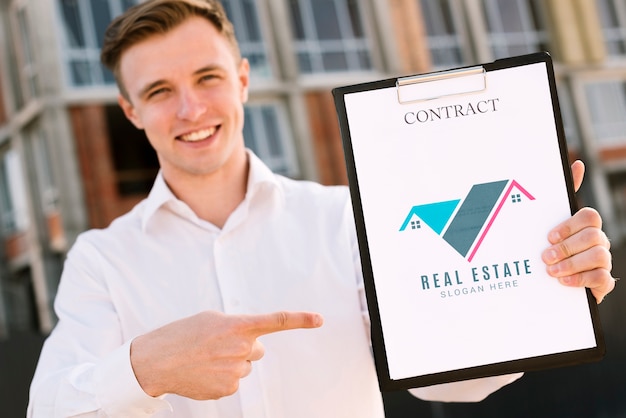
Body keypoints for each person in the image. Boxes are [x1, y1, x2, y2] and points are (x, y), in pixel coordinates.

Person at [27, 0, 616, 417]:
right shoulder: (100, 260)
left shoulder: (346, 219)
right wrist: (144, 368)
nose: (189, 109)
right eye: (158, 91)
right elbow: (49, 410)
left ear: (243, 81)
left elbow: (452, 383)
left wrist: (538, 285)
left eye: (207, 78)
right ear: (131, 112)